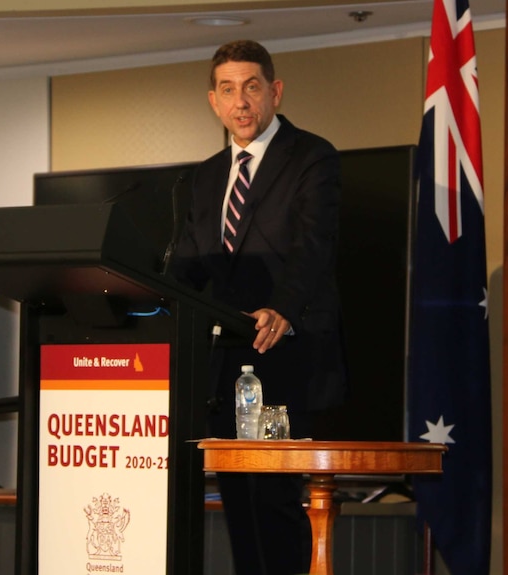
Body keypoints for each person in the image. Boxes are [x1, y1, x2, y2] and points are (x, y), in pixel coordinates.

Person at [170, 40, 348, 575]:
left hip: (284, 358)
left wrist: (282, 308)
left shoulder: (312, 156)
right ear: (213, 101)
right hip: (221, 368)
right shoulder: (201, 177)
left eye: (251, 87)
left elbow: (312, 248)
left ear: (275, 91)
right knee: (240, 511)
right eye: (228, 90)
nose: (240, 102)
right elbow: (189, 264)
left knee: (274, 507)